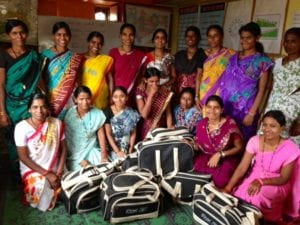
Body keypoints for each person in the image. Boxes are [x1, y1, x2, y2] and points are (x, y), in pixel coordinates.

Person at [223, 110, 300, 222]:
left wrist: (261, 182)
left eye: (273, 126)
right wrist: (228, 187)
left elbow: (284, 178)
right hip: (256, 176)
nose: (267, 129)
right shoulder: (254, 141)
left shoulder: (291, 148)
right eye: (265, 125)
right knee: (240, 196)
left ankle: (259, 220)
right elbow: (242, 168)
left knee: (257, 197)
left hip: (277, 181)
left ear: (282, 128)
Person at [215, 22, 273, 141]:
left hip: (245, 109)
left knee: (242, 141)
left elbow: (262, 90)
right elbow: (224, 81)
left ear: (257, 38)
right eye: (242, 37)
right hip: (226, 106)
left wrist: (252, 113)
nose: (244, 41)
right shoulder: (233, 58)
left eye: (249, 37)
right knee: (225, 139)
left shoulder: (262, 61)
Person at [0, 19, 42, 174]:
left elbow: (40, 82)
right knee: (14, 140)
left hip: (30, 107)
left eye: (22, 32)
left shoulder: (34, 56)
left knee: (32, 139)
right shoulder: (3, 55)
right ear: (9, 35)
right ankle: (17, 174)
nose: (19, 36)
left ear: (27, 34)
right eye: (14, 33)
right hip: (11, 107)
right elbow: (1, 85)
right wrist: (2, 113)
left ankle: (31, 173)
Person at [14, 93, 67, 211]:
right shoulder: (21, 128)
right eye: (35, 107)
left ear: (47, 108)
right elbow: (23, 157)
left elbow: (64, 149)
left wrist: (58, 172)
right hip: (32, 169)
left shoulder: (56, 123)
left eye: (43, 107)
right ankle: (53, 192)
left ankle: (56, 190)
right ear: (29, 109)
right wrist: (47, 174)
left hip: (56, 167)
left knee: (72, 183)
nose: (40, 111)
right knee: (40, 189)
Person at [194, 95, 243, 188]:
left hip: (227, 157)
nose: (212, 111)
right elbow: (199, 144)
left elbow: (239, 148)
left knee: (220, 180)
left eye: (216, 108)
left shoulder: (230, 124)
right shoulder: (202, 124)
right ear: (205, 108)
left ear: (221, 110)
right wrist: (191, 144)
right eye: (209, 107)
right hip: (206, 156)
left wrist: (221, 154)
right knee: (196, 173)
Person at [42, 21, 83, 119]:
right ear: (53, 36)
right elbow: (41, 79)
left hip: (70, 99)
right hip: (52, 98)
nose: (62, 38)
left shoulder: (74, 57)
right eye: (59, 35)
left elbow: (78, 79)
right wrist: (45, 99)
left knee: (70, 127)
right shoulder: (45, 55)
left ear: (70, 36)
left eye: (66, 35)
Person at [264, 27, 300, 139]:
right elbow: (269, 89)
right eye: (286, 41)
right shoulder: (277, 63)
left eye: (293, 41)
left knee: (286, 148)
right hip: (271, 109)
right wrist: (262, 112)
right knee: (265, 143)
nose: (289, 45)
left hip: (292, 114)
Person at [64, 86, 107, 171]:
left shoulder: (97, 114)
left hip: (91, 149)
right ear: (75, 99)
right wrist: (79, 159)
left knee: (102, 169)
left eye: (88, 99)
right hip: (74, 154)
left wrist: (104, 154)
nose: (85, 102)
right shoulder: (70, 114)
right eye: (81, 99)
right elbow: (68, 139)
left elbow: (101, 134)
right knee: (80, 176)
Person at [198, 25, 235, 107]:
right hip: (204, 93)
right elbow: (199, 76)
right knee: (206, 118)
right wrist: (196, 96)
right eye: (210, 36)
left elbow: (234, 75)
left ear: (222, 37)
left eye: (216, 36)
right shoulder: (203, 54)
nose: (212, 39)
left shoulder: (230, 54)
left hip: (223, 93)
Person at [109, 23, 147, 98]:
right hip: (116, 95)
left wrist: (143, 82)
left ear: (134, 37)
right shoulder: (113, 52)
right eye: (124, 34)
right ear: (120, 36)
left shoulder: (140, 56)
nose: (128, 38)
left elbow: (143, 75)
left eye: (131, 35)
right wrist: (111, 94)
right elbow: (109, 76)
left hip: (131, 95)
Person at [136, 67, 173, 140]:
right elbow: (144, 115)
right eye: (151, 81)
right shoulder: (140, 92)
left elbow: (168, 112)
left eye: (157, 81)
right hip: (147, 130)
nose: (154, 84)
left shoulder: (164, 92)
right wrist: (151, 96)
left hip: (161, 128)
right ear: (145, 80)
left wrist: (170, 127)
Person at [104, 86, 140, 158]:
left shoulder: (132, 112)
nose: (119, 99)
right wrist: (118, 151)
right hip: (113, 148)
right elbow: (108, 134)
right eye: (116, 97)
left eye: (122, 96)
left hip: (128, 147)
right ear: (112, 98)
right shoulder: (107, 112)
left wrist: (131, 148)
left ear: (127, 97)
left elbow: (133, 133)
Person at [81, 31, 113, 109]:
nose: (96, 45)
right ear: (88, 42)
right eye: (93, 42)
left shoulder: (105, 60)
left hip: (101, 99)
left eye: (99, 43)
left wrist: (111, 96)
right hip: (83, 98)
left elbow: (110, 79)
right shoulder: (79, 59)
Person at [175, 26, 206, 93]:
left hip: (196, 91)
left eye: (193, 36)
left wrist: (197, 95)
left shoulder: (202, 54)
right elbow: (175, 75)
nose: (190, 38)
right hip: (179, 92)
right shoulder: (179, 55)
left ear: (198, 38)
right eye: (188, 36)